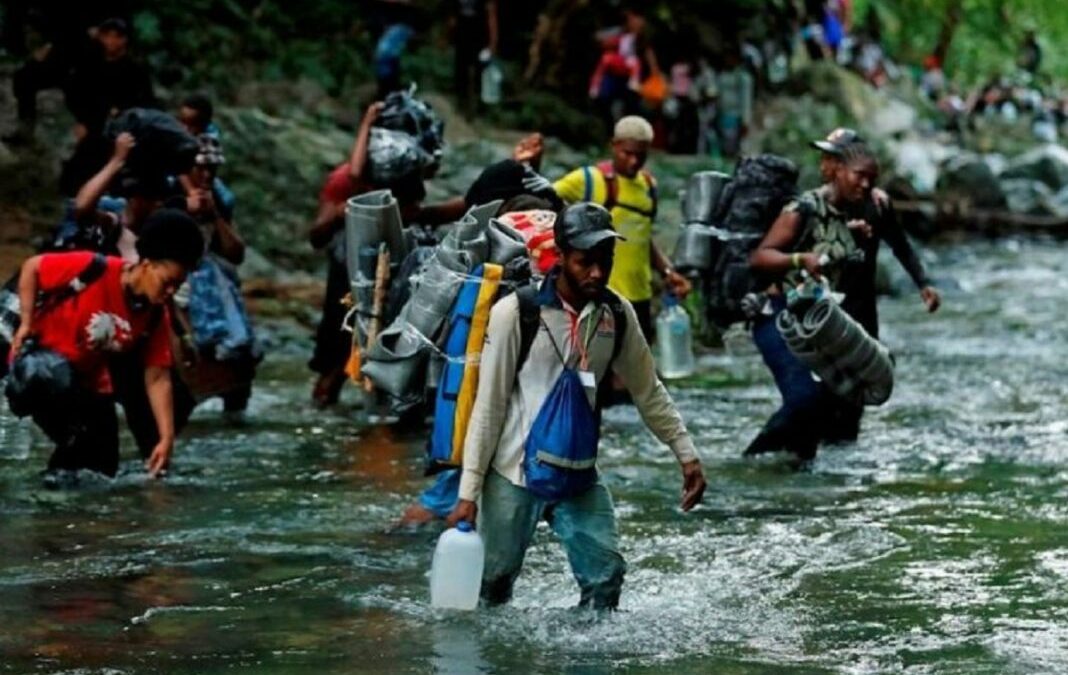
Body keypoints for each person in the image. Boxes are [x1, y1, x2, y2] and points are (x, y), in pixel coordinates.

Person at [445, 203, 707, 609]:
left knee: (606, 580)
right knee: (492, 588)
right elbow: (489, 405)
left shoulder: (616, 314)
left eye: (606, 262)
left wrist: (686, 454)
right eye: (586, 262)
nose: (597, 273)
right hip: (514, 473)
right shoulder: (516, 313)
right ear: (561, 256)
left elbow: (648, 390)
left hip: (578, 472)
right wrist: (468, 493)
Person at [746, 138, 941, 460]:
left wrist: (921, 282)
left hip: (823, 320)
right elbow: (760, 257)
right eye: (858, 175)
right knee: (806, 400)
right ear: (836, 171)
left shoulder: (865, 210)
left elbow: (872, 254)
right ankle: (750, 463)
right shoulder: (803, 208)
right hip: (781, 316)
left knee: (833, 403)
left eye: (871, 178)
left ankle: (803, 476)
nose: (865, 184)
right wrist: (799, 260)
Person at [7, 209, 203, 483]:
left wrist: (166, 438)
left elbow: (157, 376)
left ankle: (60, 509)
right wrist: (27, 321)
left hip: (86, 381)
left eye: (178, 285)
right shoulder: (95, 268)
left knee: (101, 467)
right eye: (167, 282)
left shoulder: (155, 314)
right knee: (73, 424)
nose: (170, 292)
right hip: (39, 369)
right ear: (146, 264)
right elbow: (33, 267)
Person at [308, 102, 427, 407]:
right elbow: (317, 235)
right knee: (335, 355)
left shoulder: (407, 174)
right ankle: (325, 404)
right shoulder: (347, 180)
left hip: (392, 275)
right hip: (349, 274)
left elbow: (419, 212)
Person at [553, 116, 690, 345]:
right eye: (628, 153)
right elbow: (542, 200)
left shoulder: (649, 185)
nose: (634, 161)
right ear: (614, 145)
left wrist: (667, 273)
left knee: (636, 373)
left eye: (641, 155)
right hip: (600, 294)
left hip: (641, 297)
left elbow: (644, 239)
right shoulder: (588, 180)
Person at [451, 0, 498, 117]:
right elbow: (452, 18)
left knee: (479, 74)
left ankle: (479, 107)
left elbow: (491, 17)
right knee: (461, 72)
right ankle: (461, 104)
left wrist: (493, 42)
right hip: (462, 38)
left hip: (479, 39)